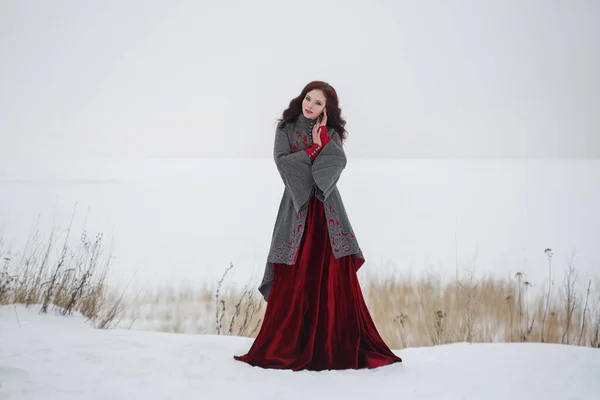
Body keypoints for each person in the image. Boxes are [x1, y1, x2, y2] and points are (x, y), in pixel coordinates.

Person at [233, 81, 402, 371]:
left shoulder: (331, 133)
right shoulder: (284, 129)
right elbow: (284, 165)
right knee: (293, 276)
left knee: (329, 278)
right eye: (308, 99)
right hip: (296, 209)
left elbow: (337, 163)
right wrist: (314, 149)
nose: (310, 105)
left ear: (327, 110)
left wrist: (323, 141)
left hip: (327, 212)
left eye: (318, 103)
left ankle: (329, 344)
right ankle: (288, 344)